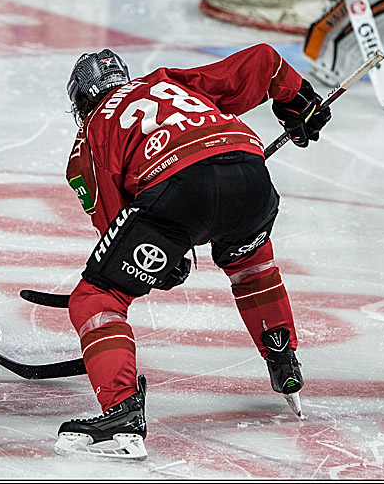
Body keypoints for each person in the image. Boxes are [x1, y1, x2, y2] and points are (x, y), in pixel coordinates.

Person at [54, 46, 331, 460]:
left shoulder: (90, 134)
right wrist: (297, 99)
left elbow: (114, 220)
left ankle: (121, 410)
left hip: (180, 191)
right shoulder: (167, 81)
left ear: (81, 100)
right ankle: (282, 355)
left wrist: (162, 260)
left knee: (97, 298)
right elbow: (263, 61)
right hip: (250, 174)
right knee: (249, 264)